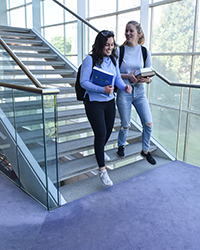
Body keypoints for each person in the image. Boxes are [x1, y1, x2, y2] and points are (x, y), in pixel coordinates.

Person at [80, 30, 132, 186]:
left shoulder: (113, 60)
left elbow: (116, 78)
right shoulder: (90, 60)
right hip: (94, 102)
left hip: (109, 101)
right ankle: (102, 170)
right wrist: (102, 90)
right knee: (101, 133)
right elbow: (84, 82)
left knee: (109, 130)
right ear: (100, 45)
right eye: (106, 45)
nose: (110, 48)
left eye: (112, 45)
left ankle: (99, 152)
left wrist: (124, 87)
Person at [116, 20, 156, 165]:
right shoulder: (119, 50)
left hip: (139, 92)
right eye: (126, 30)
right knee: (125, 124)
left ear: (138, 33)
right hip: (124, 91)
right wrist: (128, 76)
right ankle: (121, 145)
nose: (127, 33)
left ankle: (145, 151)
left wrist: (146, 80)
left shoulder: (144, 52)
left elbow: (149, 74)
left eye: (131, 31)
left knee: (149, 123)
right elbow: (114, 74)